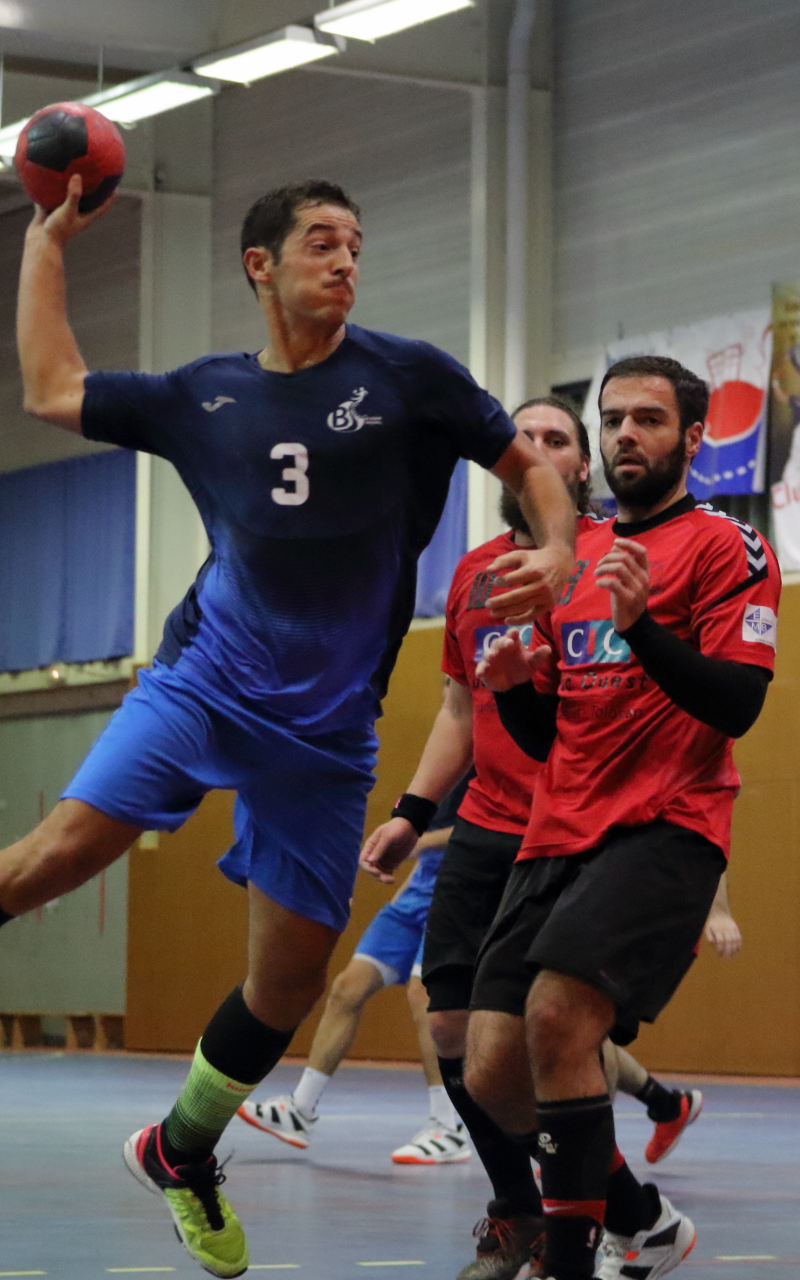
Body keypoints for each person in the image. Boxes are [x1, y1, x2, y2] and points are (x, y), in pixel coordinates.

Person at [0, 179, 575, 1279]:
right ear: (259, 264)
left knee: (288, 984)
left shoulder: (409, 377)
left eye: (355, 243)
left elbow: (526, 465)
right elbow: (51, 388)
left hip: (326, 732)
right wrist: (44, 239)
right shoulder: (205, 396)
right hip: (202, 684)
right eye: (320, 243)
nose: (345, 260)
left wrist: (558, 548)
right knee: (54, 852)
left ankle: (180, 1151)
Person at [360, 396, 742, 1279]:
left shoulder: (611, 560)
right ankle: (585, 1211)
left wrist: (713, 888)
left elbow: (686, 729)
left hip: (584, 829)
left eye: (553, 439)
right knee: (456, 1033)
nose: (530, 450)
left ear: (578, 468)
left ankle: (556, 1225)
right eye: (518, 438)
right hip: (489, 826)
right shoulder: (473, 575)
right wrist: (413, 812)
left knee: (553, 1026)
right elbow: (463, 707)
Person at [466, 356, 780, 1280]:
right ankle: (640, 1221)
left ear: (693, 437)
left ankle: (567, 1264)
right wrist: (514, 688)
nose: (623, 436)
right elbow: (545, 733)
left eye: (647, 419)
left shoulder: (727, 546)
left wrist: (641, 627)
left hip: (665, 827)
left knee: (558, 1018)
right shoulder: (573, 552)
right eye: (611, 420)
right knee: (490, 1071)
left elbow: (737, 704)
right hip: (556, 831)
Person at [238, 781, 474, 1165]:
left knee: (424, 995)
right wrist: (412, 878)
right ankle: (300, 1110)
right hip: (418, 892)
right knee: (348, 988)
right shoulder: (449, 767)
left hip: (462, 891)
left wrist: (415, 842)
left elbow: (489, 826)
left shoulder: (498, 757)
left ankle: (449, 1128)